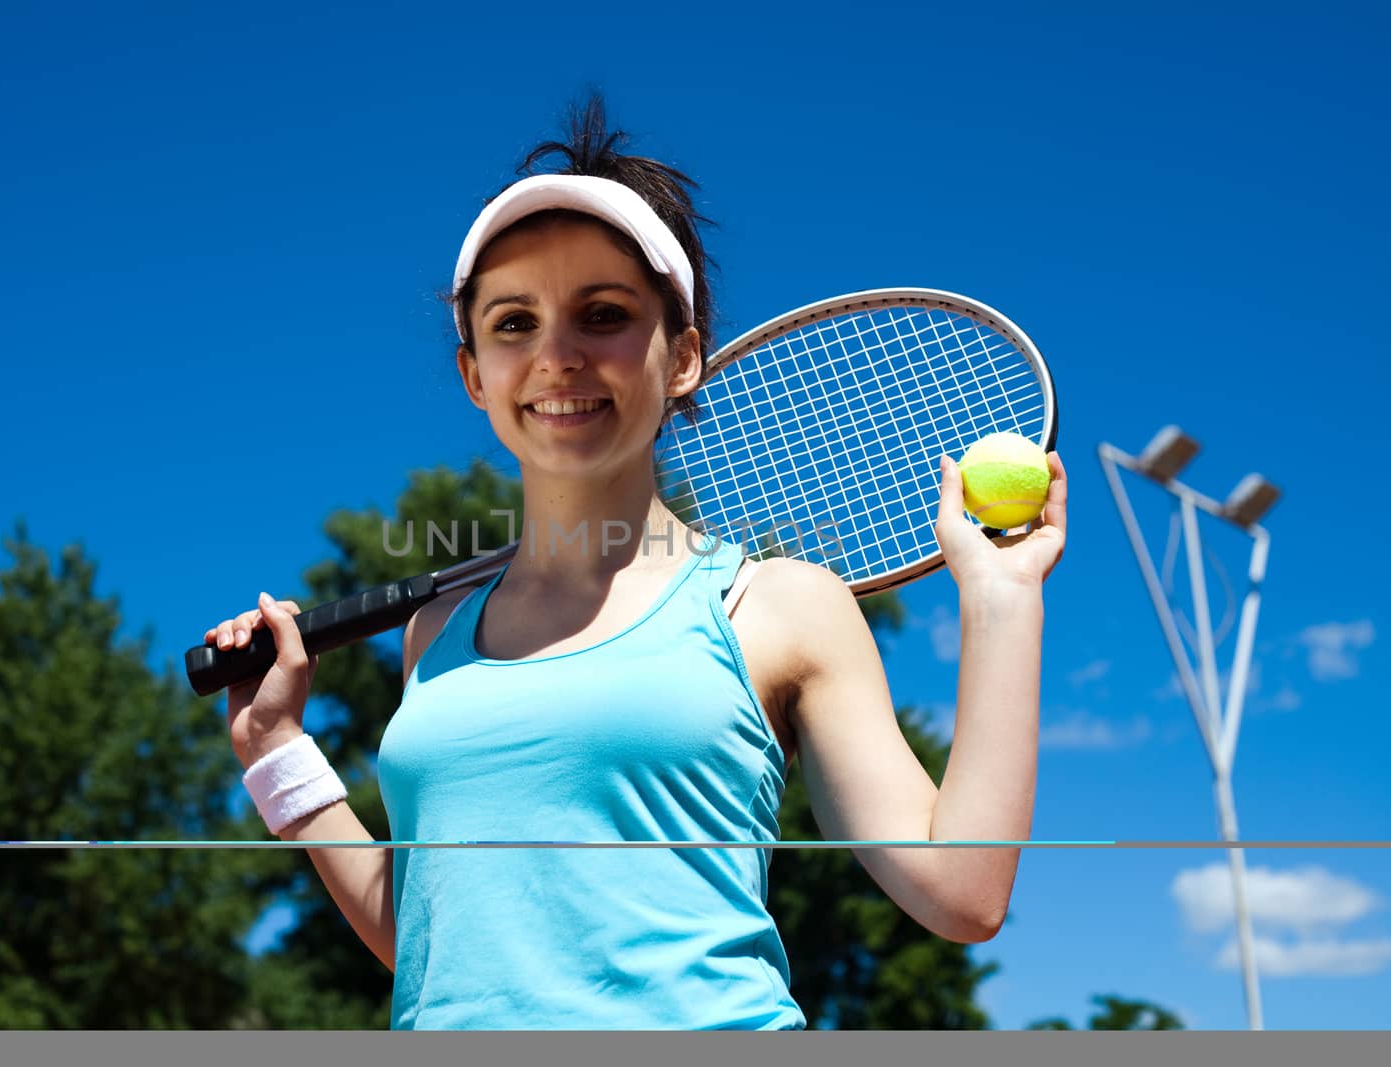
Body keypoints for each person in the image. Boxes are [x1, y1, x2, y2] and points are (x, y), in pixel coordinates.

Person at [204, 97, 1068, 1030]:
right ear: (474, 376)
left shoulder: (774, 605)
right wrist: (280, 757)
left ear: (685, 355)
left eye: (604, 314)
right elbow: (437, 945)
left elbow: (964, 890)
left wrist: (1003, 599)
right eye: (513, 324)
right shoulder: (435, 635)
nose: (557, 356)